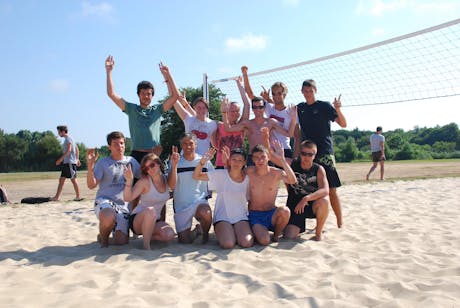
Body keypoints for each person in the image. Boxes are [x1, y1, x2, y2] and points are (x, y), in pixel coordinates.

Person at [105, 56, 178, 162]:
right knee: (133, 179)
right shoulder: (131, 109)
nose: (146, 96)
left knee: (159, 179)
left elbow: (175, 96)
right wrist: (109, 72)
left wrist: (167, 75)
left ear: (152, 95)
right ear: (138, 95)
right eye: (143, 93)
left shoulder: (157, 109)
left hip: (154, 154)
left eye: (149, 94)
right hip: (137, 155)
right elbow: (111, 94)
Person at [295, 79, 347, 228]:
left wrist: (338, 109)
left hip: (324, 151)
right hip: (307, 152)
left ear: (315, 91)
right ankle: (305, 221)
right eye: (305, 91)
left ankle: (339, 222)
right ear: (302, 92)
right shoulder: (300, 108)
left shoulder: (324, 106)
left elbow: (343, 124)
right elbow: (282, 111)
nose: (308, 93)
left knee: (331, 189)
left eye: (310, 91)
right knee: (305, 188)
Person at [86, 131, 141, 248]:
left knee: (122, 241)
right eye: (115, 144)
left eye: (121, 143)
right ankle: (104, 242)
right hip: (104, 201)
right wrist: (90, 166)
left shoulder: (131, 162)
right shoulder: (103, 162)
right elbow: (91, 185)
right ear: (109, 147)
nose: (119, 146)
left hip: (123, 206)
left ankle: (101, 237)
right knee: (108, 215)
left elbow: (143, 179)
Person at [193, 146, 254, 249]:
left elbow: (250, 200)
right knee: (228, 244)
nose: (236, 163)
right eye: (234, 159)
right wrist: (202, 162)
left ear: (244, 163)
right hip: (223, 217)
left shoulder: (248, 179)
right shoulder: (221, 175)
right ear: (229, 160)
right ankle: (225, 231)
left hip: (240, 218)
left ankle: (235, 231)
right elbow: (196, 176)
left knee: (246, 243)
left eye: (240, 160)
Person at [123, 149, 179, 250]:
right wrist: (129, 181)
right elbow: (128, 198)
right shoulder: (145, 182)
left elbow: (173, 184)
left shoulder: (166, 179)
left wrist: (174, 165)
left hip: (154, 220)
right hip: (138, 220)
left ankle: (148, 235)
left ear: (158, 164)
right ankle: (146, 246)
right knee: (150, 210)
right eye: (146, 168)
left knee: (169, 234)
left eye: (152, 165)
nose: (150, 169)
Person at [241, 66, 296, 164]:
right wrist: (245, 74)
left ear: (285, 94)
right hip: (270, 151)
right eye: (274, 94)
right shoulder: (268, 107)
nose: (276, 96)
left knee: (286, 179)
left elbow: (295, 134)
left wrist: (297, 155)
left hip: (284, 149)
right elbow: (250, 94)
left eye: (279, 93)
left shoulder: (291, 111)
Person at [246, 140, 297, 245]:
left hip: (271, 213)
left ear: (268, 157)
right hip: (255, 215)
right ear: (252, 159)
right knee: (264, 241)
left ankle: (276, 235)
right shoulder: (249, 171)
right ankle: (260, 232)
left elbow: (293, 180)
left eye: (263, 157)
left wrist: (282, 159)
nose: (260, 160)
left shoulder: (276, 173)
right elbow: (232, 173)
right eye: (256, 158)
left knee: (285, 211)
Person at [224, 96, 297, 166]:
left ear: (264, 108)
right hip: (252, 158)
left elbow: (289, 134)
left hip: (267, 157)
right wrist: (224, 113)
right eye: (255, 107)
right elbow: (228, 129)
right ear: (252, 109)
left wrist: (293, 119)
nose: (258, 110)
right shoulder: (248, 123)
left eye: (260, 107)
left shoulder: (271, 122)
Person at [171, 133, 213, 244]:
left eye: (191, 143)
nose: (188, 146)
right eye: (184, 144)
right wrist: (174, 166)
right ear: (181, 145)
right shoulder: (176, 161)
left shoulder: (205, 161)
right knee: (184, 241)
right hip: (181, 205)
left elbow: (213, 178)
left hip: (199, 202)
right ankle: (197, 230)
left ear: (196, 144)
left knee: (206, 212)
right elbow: (171, 185)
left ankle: (205, 235)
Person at [284, 140, 330, 241]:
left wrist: (306, 198)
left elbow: (325, 190)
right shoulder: (292, 163)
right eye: (304, 153)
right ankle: (298, 226)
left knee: (324, 201)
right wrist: (266, 139)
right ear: (300, 153)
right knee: (289, 236)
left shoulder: (318, 169)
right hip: (295, 205)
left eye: (310, 154)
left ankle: (318, 233)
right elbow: (272, 156)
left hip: (310, 204)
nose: (306, 157)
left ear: (314, 155)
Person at [214, 78, 250, 168]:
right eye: (232, 110)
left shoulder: (241, 125)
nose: (235, 113)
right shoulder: (218, 125)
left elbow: (247, 105)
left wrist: (239, 84)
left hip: (238, 165)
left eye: (237, 111)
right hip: (221, 164)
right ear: (226, 110)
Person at [51, 125, 82, 201]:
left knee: (73, 180)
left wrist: (60, 160)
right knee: (61, 180)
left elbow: (68, 151)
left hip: (70, 163)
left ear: (63, 131)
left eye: (59, 132)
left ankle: (78, 197)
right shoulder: (70, 139)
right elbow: (77, 149)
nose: (58, 134)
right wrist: (77, 159)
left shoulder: (68, 139)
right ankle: (56, 197)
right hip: (67, 163)